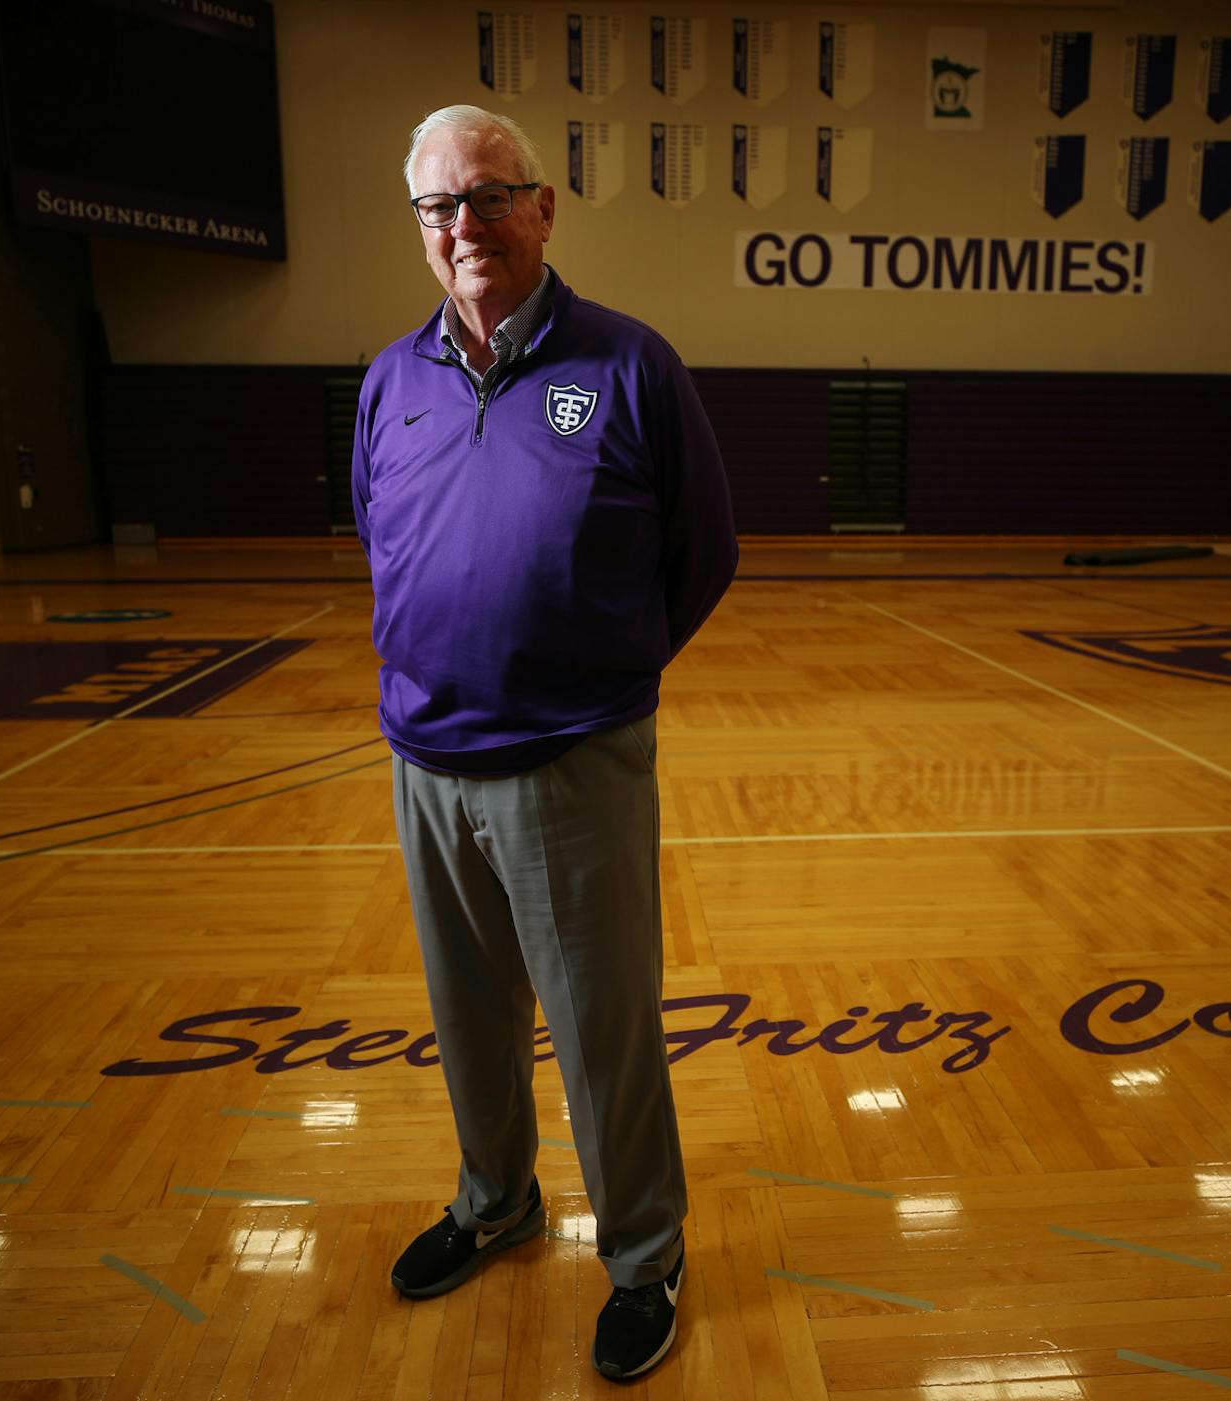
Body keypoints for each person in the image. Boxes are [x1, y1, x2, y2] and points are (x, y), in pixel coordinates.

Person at [348, 104, 737, 1382]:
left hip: (571, 761)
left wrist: (591, 674)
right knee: (469, 1020)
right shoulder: (390, 383)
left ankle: (642, 1253)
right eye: (439, 208)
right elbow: (381, 539)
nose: (466, 227)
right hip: (424, 761)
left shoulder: (629, 367)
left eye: (490, 197)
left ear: (544, 206)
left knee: (600, 1027)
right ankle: (497, 1200)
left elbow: (704, 554)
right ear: (419, 226)